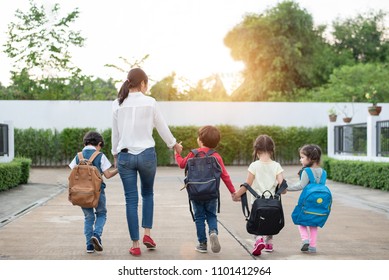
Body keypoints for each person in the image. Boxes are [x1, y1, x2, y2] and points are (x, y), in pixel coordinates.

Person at [111, 68, 182, 256]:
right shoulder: (150, 103)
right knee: (148, 194)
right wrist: (174, 145)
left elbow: (115, 134)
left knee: (130, 201)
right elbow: (162, 127)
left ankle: (135, 245)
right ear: (142, 83)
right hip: (147, 156)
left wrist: (115, 155)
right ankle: (147, 234)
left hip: (125, 156)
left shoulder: (117, 103)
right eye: (146, 84)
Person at [175, 125, 236, 254]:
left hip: (196, 193)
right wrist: (233, 192)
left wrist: (177, 153)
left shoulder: (193, 154)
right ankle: (213, 232)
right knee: (211, 215)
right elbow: (225, 176)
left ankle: (202, 244)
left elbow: (182, 164)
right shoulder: (216, 156)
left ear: (200, 140)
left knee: (199, 217)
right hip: (211, 193)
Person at [233, 134, 285, 256]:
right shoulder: (277, 165)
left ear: (256, 150)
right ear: (272, 150)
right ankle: (269, 243)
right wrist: (281, 190)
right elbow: (283, 187)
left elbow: (248, 184)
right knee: (270, 219)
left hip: (257, 202)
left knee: (257, 221)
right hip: (273, 201)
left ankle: (258, 239)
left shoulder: (254, 165)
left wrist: (237, 195)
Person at [68, 131, 118, 254]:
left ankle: (89, 246)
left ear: (85, 142)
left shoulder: (78, 156)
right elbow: (108, 175)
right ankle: (96, 235)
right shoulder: (100, 155)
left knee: (88, 217)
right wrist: (119, 169)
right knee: (101, 214)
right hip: (97, 192)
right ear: (99, 143)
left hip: (81, 193)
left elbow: (72, 173)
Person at [287, 144, 324, 254]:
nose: (300, 159)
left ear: (311, 158)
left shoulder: (307, 171)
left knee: (300, 220)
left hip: (306, 202)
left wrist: (286, 188)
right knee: (313, 223)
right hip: (319, 203)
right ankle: (312, 246)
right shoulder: (323, 172)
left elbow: (301, 185)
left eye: (302, 157)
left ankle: (305, 240)